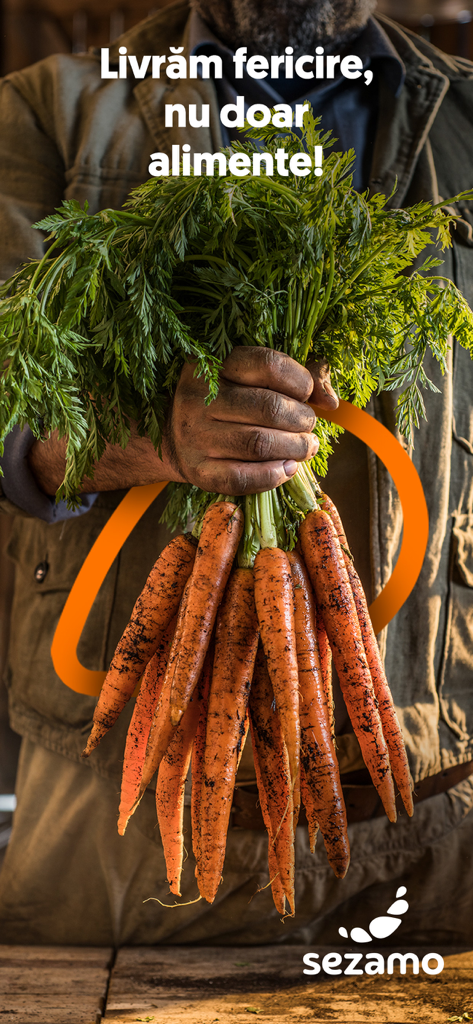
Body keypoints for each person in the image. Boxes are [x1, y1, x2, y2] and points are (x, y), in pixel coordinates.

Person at [1, 0, 473, 947]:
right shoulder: (49, 109)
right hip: (123, 801)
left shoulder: (462, 117)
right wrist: (147, 436)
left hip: (431, 788)